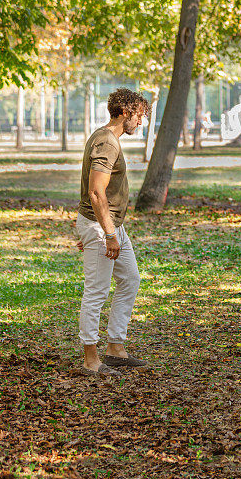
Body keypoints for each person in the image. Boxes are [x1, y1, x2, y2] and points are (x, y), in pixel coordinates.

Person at [76, 88, 150, 376]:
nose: (140, 123)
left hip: (111, 225)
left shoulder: (107, 138)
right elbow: (95, 191)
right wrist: (106, 233)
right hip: (102, 227)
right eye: (139, 116)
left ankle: (115, 348)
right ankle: (90, 359)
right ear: (125, 112)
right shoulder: (107, 142)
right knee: (96, 291)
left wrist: (110, 229)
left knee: (130, 279)